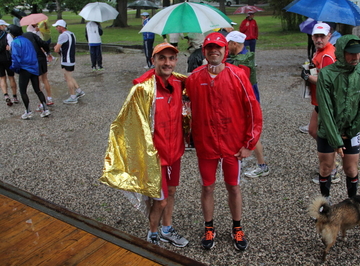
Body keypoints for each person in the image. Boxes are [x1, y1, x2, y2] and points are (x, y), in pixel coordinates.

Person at [100, 43, 189, 248]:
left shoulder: (179, 83)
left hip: (175, 151)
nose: (167, 63)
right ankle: (153, 232)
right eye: (162, 58)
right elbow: (127, 124)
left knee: (172, 192)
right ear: (153, 60)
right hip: (154, 155)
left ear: (176, 61)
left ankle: (167, 228)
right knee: (161, 200)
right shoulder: (142, 89)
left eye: (171, 58)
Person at [186, 32, 262, 251]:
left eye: (218, 47)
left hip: (232, 144)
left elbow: (253, 111)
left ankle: (237, 227)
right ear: (204, 51)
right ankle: (209, 227)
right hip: (206, 144)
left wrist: (249, 143)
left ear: (225, 50)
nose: (214, 51)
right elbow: (184, 108)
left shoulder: (238, 75)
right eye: (209, 47)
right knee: (207, 187)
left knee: (233, 187)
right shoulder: (194, 78)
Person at [316, 35, 360, 199]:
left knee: (351, 168)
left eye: (358, 53)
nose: (355, 57)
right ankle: (325, 203)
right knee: (326, 166)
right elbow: (325, 109)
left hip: (351, 129)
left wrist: (353, 129)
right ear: (341, 52)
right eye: (350, 53)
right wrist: (335, 139)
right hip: (328, 130)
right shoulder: (327, 74)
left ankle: (352, 203)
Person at [299, 23, 340, 184]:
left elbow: (327, 82)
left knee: (325, 136)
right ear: (312, 37)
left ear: (329, 36)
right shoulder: (320, 52)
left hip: (327, 103)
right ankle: (331, 160)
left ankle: (332, 169)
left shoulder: (328, 55)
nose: (319, 39)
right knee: (313, 130)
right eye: (316, 36)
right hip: (320, 101)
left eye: (322, 36)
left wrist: (308, 77)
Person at [226, 30, 270, 178]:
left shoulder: (242, 61)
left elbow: (242, 88)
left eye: (228, 44)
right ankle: (244, 159)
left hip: (248, 103)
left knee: (252, 134)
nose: (226, 47)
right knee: (244, 132)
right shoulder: (243, 56)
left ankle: (262, 165)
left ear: (234, 44)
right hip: (250, 100)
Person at [8, 25, 50, 119]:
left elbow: (15, 57)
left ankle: (28, 111)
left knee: (23, 91)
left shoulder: (15, 42)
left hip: (24, 68)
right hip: (33, 67)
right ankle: (45, 109)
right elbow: (33, 53)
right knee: (37, 89)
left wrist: (14, 68)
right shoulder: (27, 40)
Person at [53, 20, 84, 104]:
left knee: (68, 78)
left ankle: (73, 96)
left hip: (66, 59)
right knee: (68, 76)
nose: (56, 28)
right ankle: (79, 91)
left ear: (61, 27)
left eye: (57, 27)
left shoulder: (63, 36)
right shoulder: (71, 34)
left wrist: (55, 47)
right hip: (71, 58)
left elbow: (56, 49)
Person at [0, 19, 18, 106]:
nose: (5, 27)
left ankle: (6, 95)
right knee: (11, 77)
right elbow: (12, 46)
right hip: (7, 59)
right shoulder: (7, 35)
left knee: (2, 78)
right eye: (4, 26)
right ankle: (14, 96)